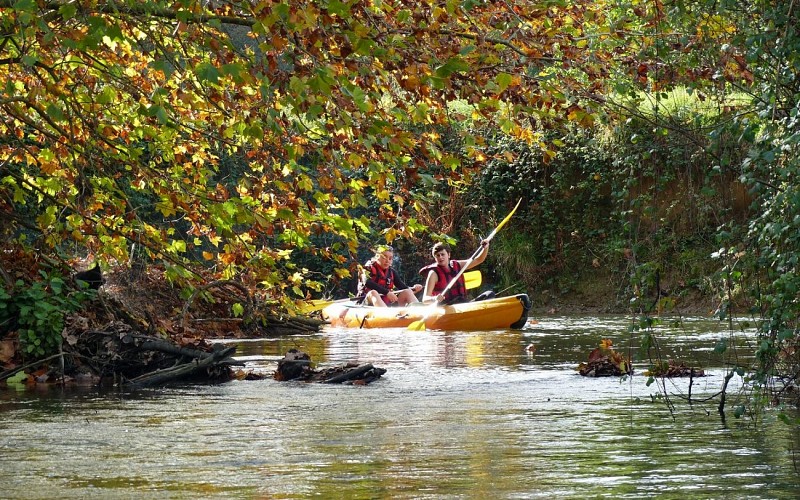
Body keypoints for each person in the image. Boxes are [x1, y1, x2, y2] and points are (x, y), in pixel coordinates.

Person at [419, 240, 489, 304]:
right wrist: (434, 298)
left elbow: (479, 260)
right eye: (437, 255)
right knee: (459, 300)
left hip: (463, 304)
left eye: (442, 254)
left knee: (489, 294)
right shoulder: (433, 274)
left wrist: (485, 248)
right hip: (447, 307)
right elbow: (425, 299)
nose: (440, 257)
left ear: (448, 255)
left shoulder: (457, 265)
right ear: (435, 258)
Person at [357, 246, 423, 307]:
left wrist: (414, 289)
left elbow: (402, 287)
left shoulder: (392, 272)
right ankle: (386, 316)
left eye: (390, 258)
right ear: (377, 256)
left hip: (386, 303)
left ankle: (420, 314)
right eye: (384, 257)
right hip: (366, 303)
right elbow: (367, 282)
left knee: (407, 291)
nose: (387, 260)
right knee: (373, 292)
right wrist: (387, 292)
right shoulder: (367, 268)